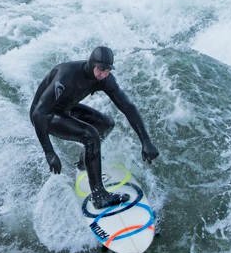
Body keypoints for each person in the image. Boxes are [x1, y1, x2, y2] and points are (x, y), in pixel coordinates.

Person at [30, 46, 160, 208]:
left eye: (108, 70)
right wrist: (49, 151)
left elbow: (127, 106)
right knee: (91, 135)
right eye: (101, 69)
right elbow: (39, 113)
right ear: (92, 64)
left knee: (105, 124)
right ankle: (99, 196)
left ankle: (85, 161)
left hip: (65, 110)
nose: (104, 74)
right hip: (45, 116)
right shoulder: (67, 75)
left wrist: (145, 140)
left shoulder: (105, 79)